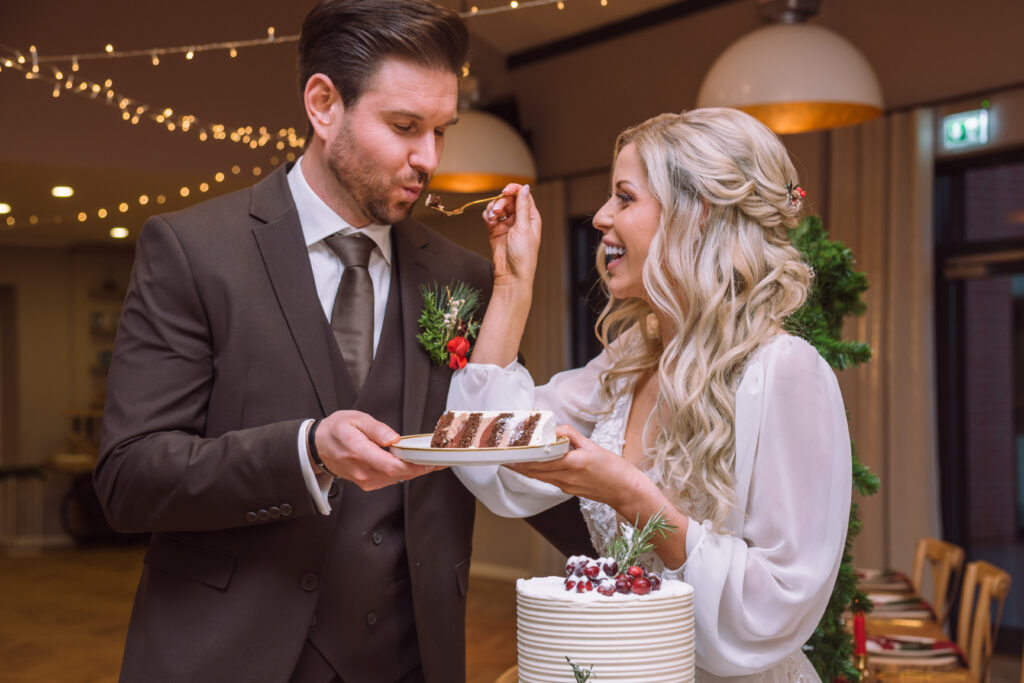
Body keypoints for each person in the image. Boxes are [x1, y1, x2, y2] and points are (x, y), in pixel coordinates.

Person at [94, 1, 590, 681]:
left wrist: (657, 545)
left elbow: (510, 453)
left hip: (411, 659)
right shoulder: (192, 251)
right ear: (324, 104)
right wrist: (305, 450)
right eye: (404, 126)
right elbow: (129, 477)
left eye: (441, 130)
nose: (430, 158)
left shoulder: (465, 277)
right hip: (229, 657)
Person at [449, 108, 853, 681]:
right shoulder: (631, 359)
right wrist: (512, 286)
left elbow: (775, 606)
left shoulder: (784, 371)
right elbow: (483, 449)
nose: (600, 217)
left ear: (697, 213)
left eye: (625, 197)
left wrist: (634, 496)